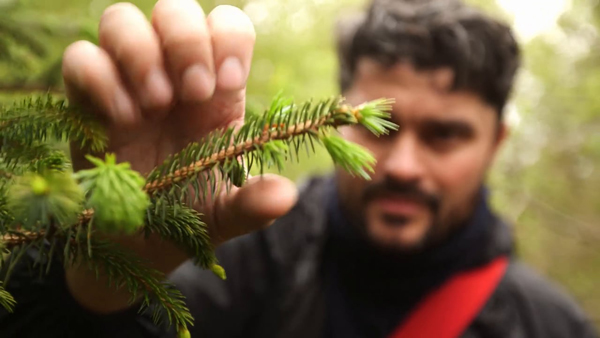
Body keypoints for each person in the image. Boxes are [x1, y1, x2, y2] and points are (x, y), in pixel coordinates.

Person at [0, 0, 597, 337]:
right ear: (336, 117)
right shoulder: (242, 259)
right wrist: (100, 283)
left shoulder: (550, 325)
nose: (404, 166)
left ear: (497, 142)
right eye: (376, 123)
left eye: (446, 135)